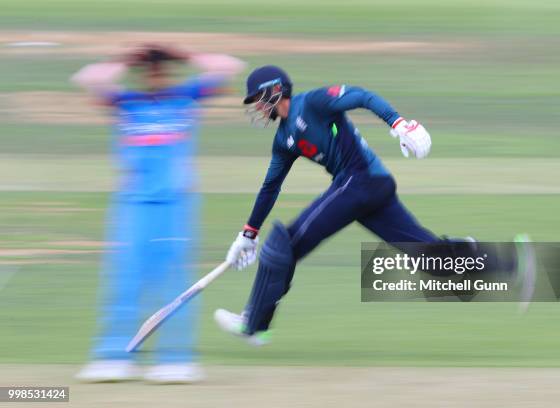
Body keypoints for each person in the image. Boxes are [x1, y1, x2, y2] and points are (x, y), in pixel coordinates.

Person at [214, 65, 533, 345]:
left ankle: (253, 324)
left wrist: (399, 124)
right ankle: (512, 262)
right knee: (431, 259)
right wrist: (248, 233)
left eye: (257, 97)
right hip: (365, 189)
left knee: (285, 243)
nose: (255, 106)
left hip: (361, 181)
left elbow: (362, 96)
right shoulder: (283, 139)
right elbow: (271, 186)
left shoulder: (312, 102)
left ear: (275, 91)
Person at [71, 44, 244, 382]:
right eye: (150, 70)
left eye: (161, 69)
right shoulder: (126, 103)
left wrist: (184, 56)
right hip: (132, 203)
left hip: (174, 204)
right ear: (142, 74)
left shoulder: (185, 98)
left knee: (173, 280)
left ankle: (176, 359)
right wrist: (123, 59)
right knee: (125, 277)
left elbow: (229, 67)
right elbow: (87, 79)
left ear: (170, 73)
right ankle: (113, 356)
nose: (156, 75)